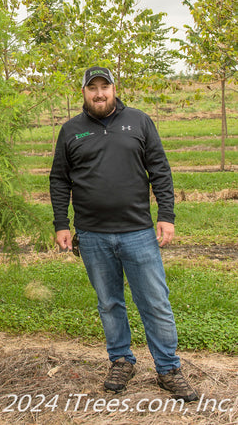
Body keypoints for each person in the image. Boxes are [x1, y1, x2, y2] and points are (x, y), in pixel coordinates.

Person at [49, 66, 198, 402]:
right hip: (91, 234)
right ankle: (120, 359)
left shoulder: (139, 122)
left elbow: (159, 168)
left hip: (138, 232)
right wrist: (62, 223)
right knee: (109, 302)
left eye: (105, 87)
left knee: (155, 302)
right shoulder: (71, 130)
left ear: (114, 89)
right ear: (83, 93)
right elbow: (59, 179)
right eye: (92, 88)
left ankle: (168, 368)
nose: (99, 93)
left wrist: (167, 215)